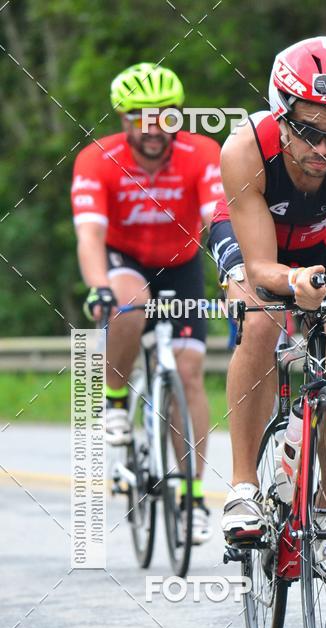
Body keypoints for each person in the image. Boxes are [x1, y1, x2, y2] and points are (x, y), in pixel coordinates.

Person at [208, 36, 326, 557]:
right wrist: (291, 284)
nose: (322, 151)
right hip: (255, 237)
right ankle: (244, 488)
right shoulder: (244, 149)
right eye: (309, 132)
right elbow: (264, 266)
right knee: (261, 321)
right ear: (280, 113)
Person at [71, 62, 225, 543]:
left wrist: (234, 272)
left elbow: (217, 218)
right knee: (129, 302)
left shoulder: (202, 154)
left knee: (189, 373)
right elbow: (90, 233)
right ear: (123, 120)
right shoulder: (97, 159)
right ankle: (115, 399)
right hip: (125, 257)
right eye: (141, 117)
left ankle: (193, 493)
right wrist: (98, 284)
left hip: (180, 265)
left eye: (165, 117)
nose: (154, 128)